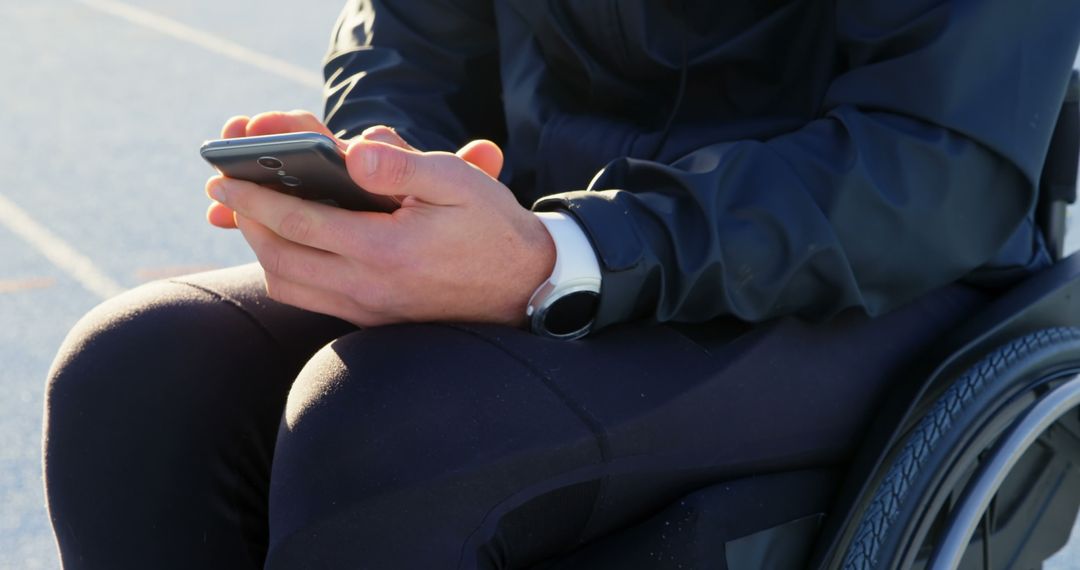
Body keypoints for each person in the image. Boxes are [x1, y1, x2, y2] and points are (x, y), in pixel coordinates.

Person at [42, 0, 1080, 568]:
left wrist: (565, 258)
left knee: (396, 429)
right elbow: (409, 37)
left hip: (875, 283)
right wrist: (387, 179)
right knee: (135, 373)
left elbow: (930, 168)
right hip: (552, 231)